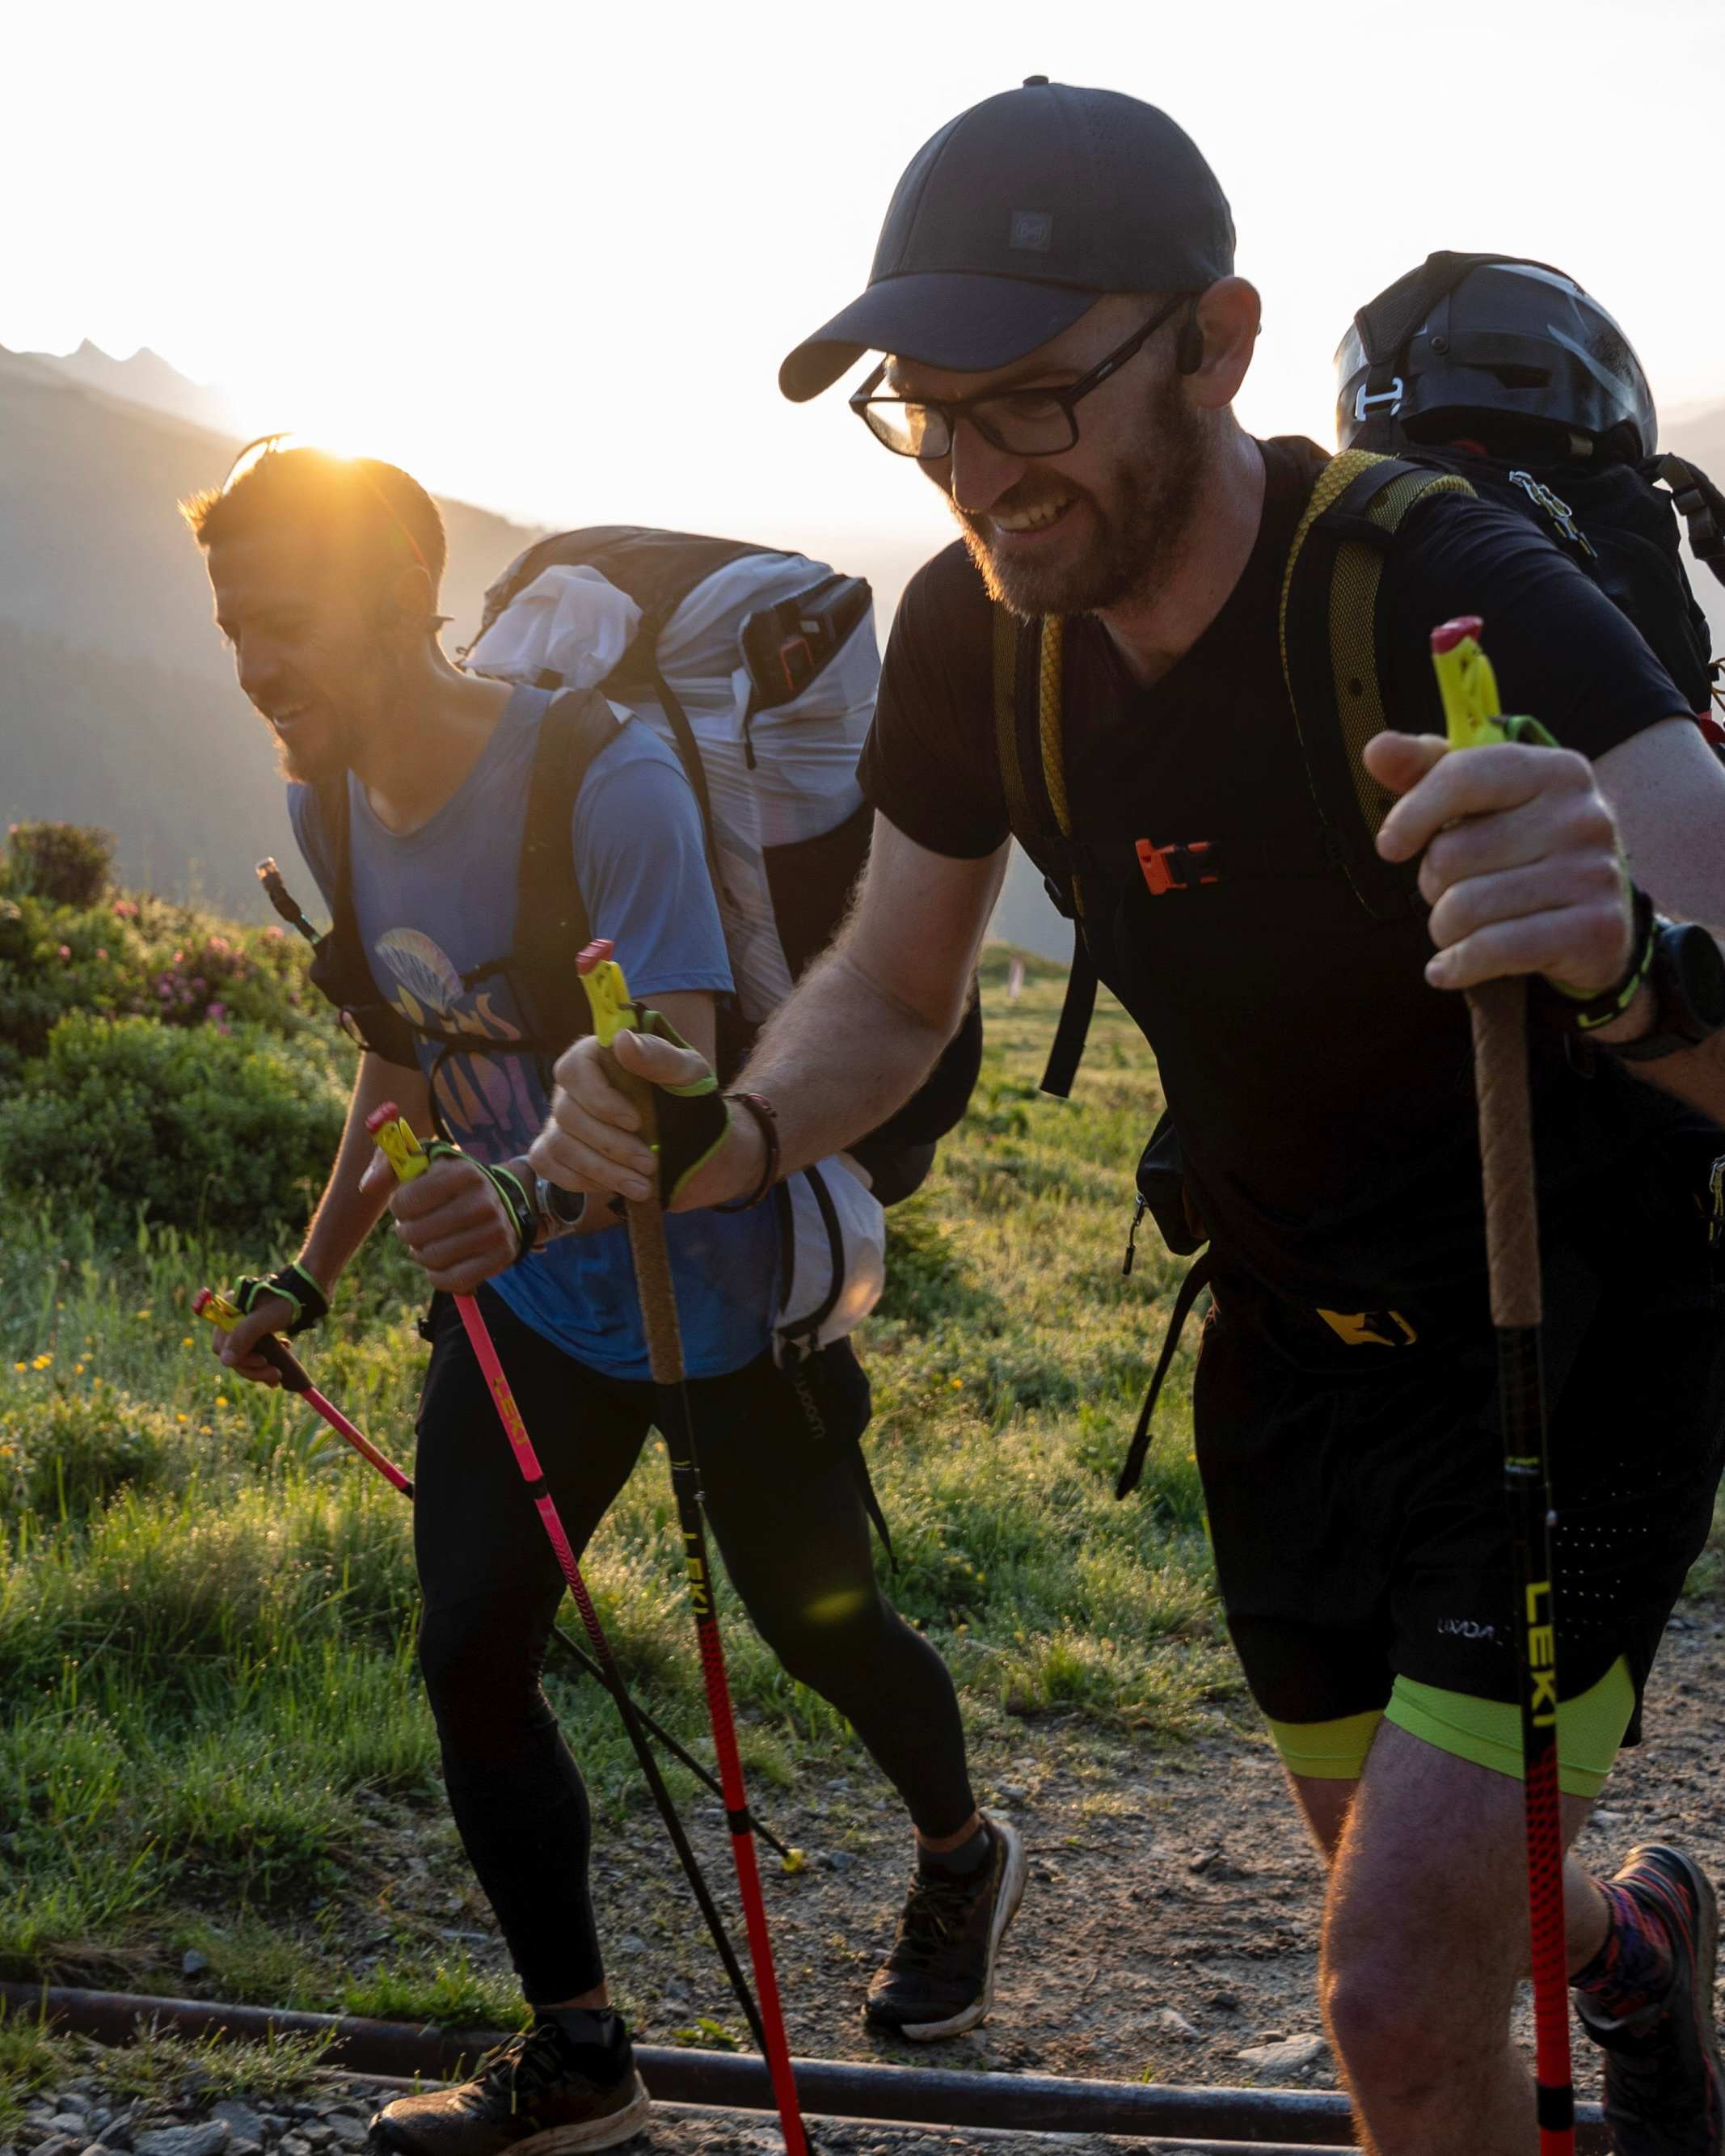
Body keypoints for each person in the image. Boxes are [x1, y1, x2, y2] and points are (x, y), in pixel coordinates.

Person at [534, 79, 1725, 2156]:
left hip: (1565, 1347)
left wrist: (1620, 957)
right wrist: (721, 1135)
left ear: (1215, 343)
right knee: (1464, 1912)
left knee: (1389, 1986)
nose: (976, 471)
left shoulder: (1441, 587)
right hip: (1281, 1368)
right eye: (928, 413)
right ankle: (1640, 1955)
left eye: (1030, 399)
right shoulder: (977, 639)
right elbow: (894, 992)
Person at [183, 444, 1024, 2156]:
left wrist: (518, 1197)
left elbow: (686, 1082)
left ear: (392, 601)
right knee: (470, 1649)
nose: (256, 667)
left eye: (284, 624)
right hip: (531, 1316)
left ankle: (961, 1849)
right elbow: (399, 1043)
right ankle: (579, 2055)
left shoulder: (604, 780)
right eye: (230, 630)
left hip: (721, 1294)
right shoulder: (326, 800)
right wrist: (308, 1274)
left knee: (825, 1626)